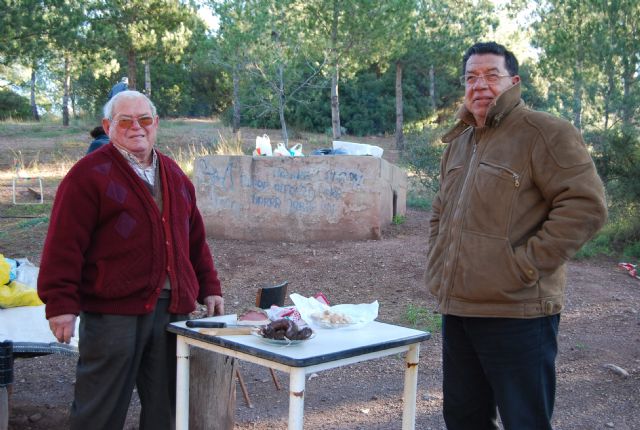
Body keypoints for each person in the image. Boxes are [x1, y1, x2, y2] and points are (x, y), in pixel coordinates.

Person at [425, 41, 607, 430]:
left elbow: (586, 206)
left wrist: (523, 266)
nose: (481, 85)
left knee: (524, 421)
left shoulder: (545, 133)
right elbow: (441, 210)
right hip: (459, 308)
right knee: (463, 417)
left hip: (518, 311)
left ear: (514, 82)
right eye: (472, 77)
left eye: (492, 75)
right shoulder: (458, 142)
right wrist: (438, 260)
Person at [37, 90, 224, 430]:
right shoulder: (87, 175)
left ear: (156, 124)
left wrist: (209, 287)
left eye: (144, 119)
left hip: (172, 308)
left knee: (167, 407)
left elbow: (193, 238)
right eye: (125, 121)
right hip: (113, 312)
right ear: (108, 126)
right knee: (100, 408)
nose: (136, 127)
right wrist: (61, 303)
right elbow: (64, 244)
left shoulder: (173, 172)